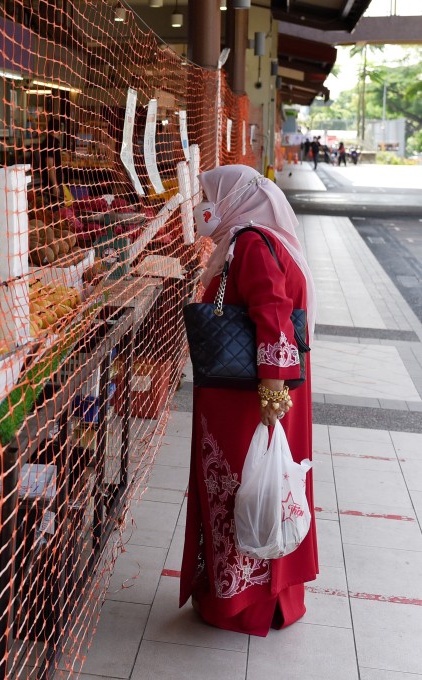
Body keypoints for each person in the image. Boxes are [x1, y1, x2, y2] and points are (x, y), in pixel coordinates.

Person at [180, 164, 318, 637]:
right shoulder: (260, 238)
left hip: (250, 399)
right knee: (266, 488)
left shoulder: (253, 242)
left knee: (248, 489)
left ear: (235, 199)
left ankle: (243, 604)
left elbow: (274, 311)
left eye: (207, 195)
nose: (202, 204)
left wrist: (272, 388)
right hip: (259, 390)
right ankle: (264, 596)